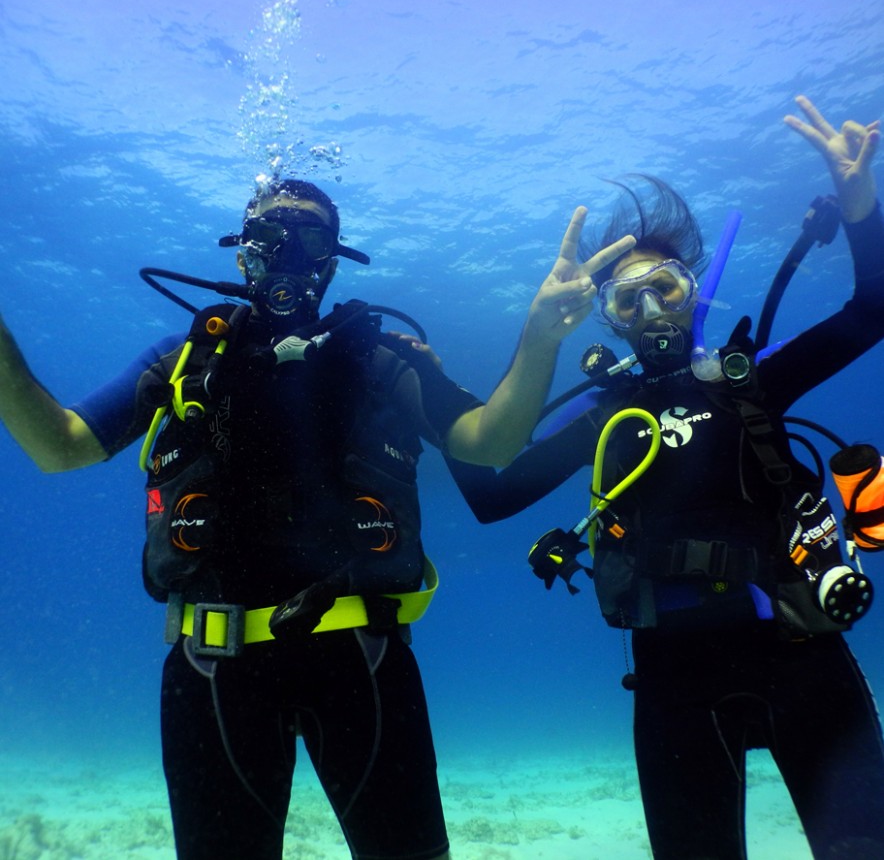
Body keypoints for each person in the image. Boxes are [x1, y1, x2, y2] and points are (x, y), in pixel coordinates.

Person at [0, 177, 634, 860]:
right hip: (214, 669)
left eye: (314, 239)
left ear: (334, 260)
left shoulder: (381, 361)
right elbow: (58, 446)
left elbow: (492, 441)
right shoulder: (185, 359)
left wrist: (540, 335)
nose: (292, 256)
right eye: (273, 236)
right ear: (245, 254)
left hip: (361, 663)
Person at [443, 97, 884, 859]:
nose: (650, 309)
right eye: (627, 298)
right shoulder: (604, 419)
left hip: (802, 652)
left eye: (667, 289)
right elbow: (490, 493)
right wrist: (518, 345)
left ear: (693, 293)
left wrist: (860, 204)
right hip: (676, 681)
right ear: (608, 319)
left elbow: (873, 309)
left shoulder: (751, 383)